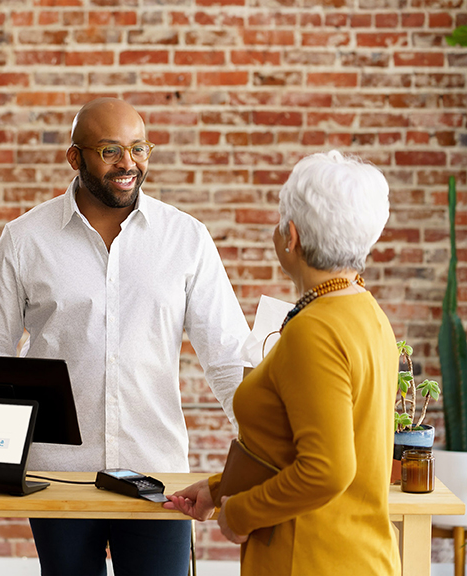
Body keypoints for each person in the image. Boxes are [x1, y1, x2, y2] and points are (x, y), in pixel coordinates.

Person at [0, 97, 250, 575]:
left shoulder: (186, 239)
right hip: (58, 476)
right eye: (111, 150)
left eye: (139, 149)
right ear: (75, 158)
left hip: (157, 476)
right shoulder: (26, 239)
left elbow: (226, 356)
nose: (129, 164)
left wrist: (258, 448)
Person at [165, 150, 400, 574]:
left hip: (310, 557)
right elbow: (293, 446)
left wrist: (238, 514)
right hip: (354, 554)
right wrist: (221, 490)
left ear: (290, 236)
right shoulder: (367, 314)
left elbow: (327, 470)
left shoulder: (315, 331)